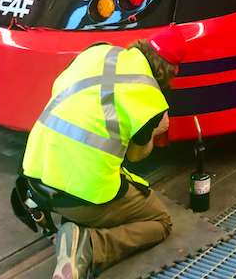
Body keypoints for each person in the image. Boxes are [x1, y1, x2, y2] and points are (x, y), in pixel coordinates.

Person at [19, 25, 187, 279]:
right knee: (161, 222)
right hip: (81, 196)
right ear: (168, 71)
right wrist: (156, 129)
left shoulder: (96, 52)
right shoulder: (148, 95)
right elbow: (136, 156)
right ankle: (89, 245)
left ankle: (73, 225)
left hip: (34, 177)